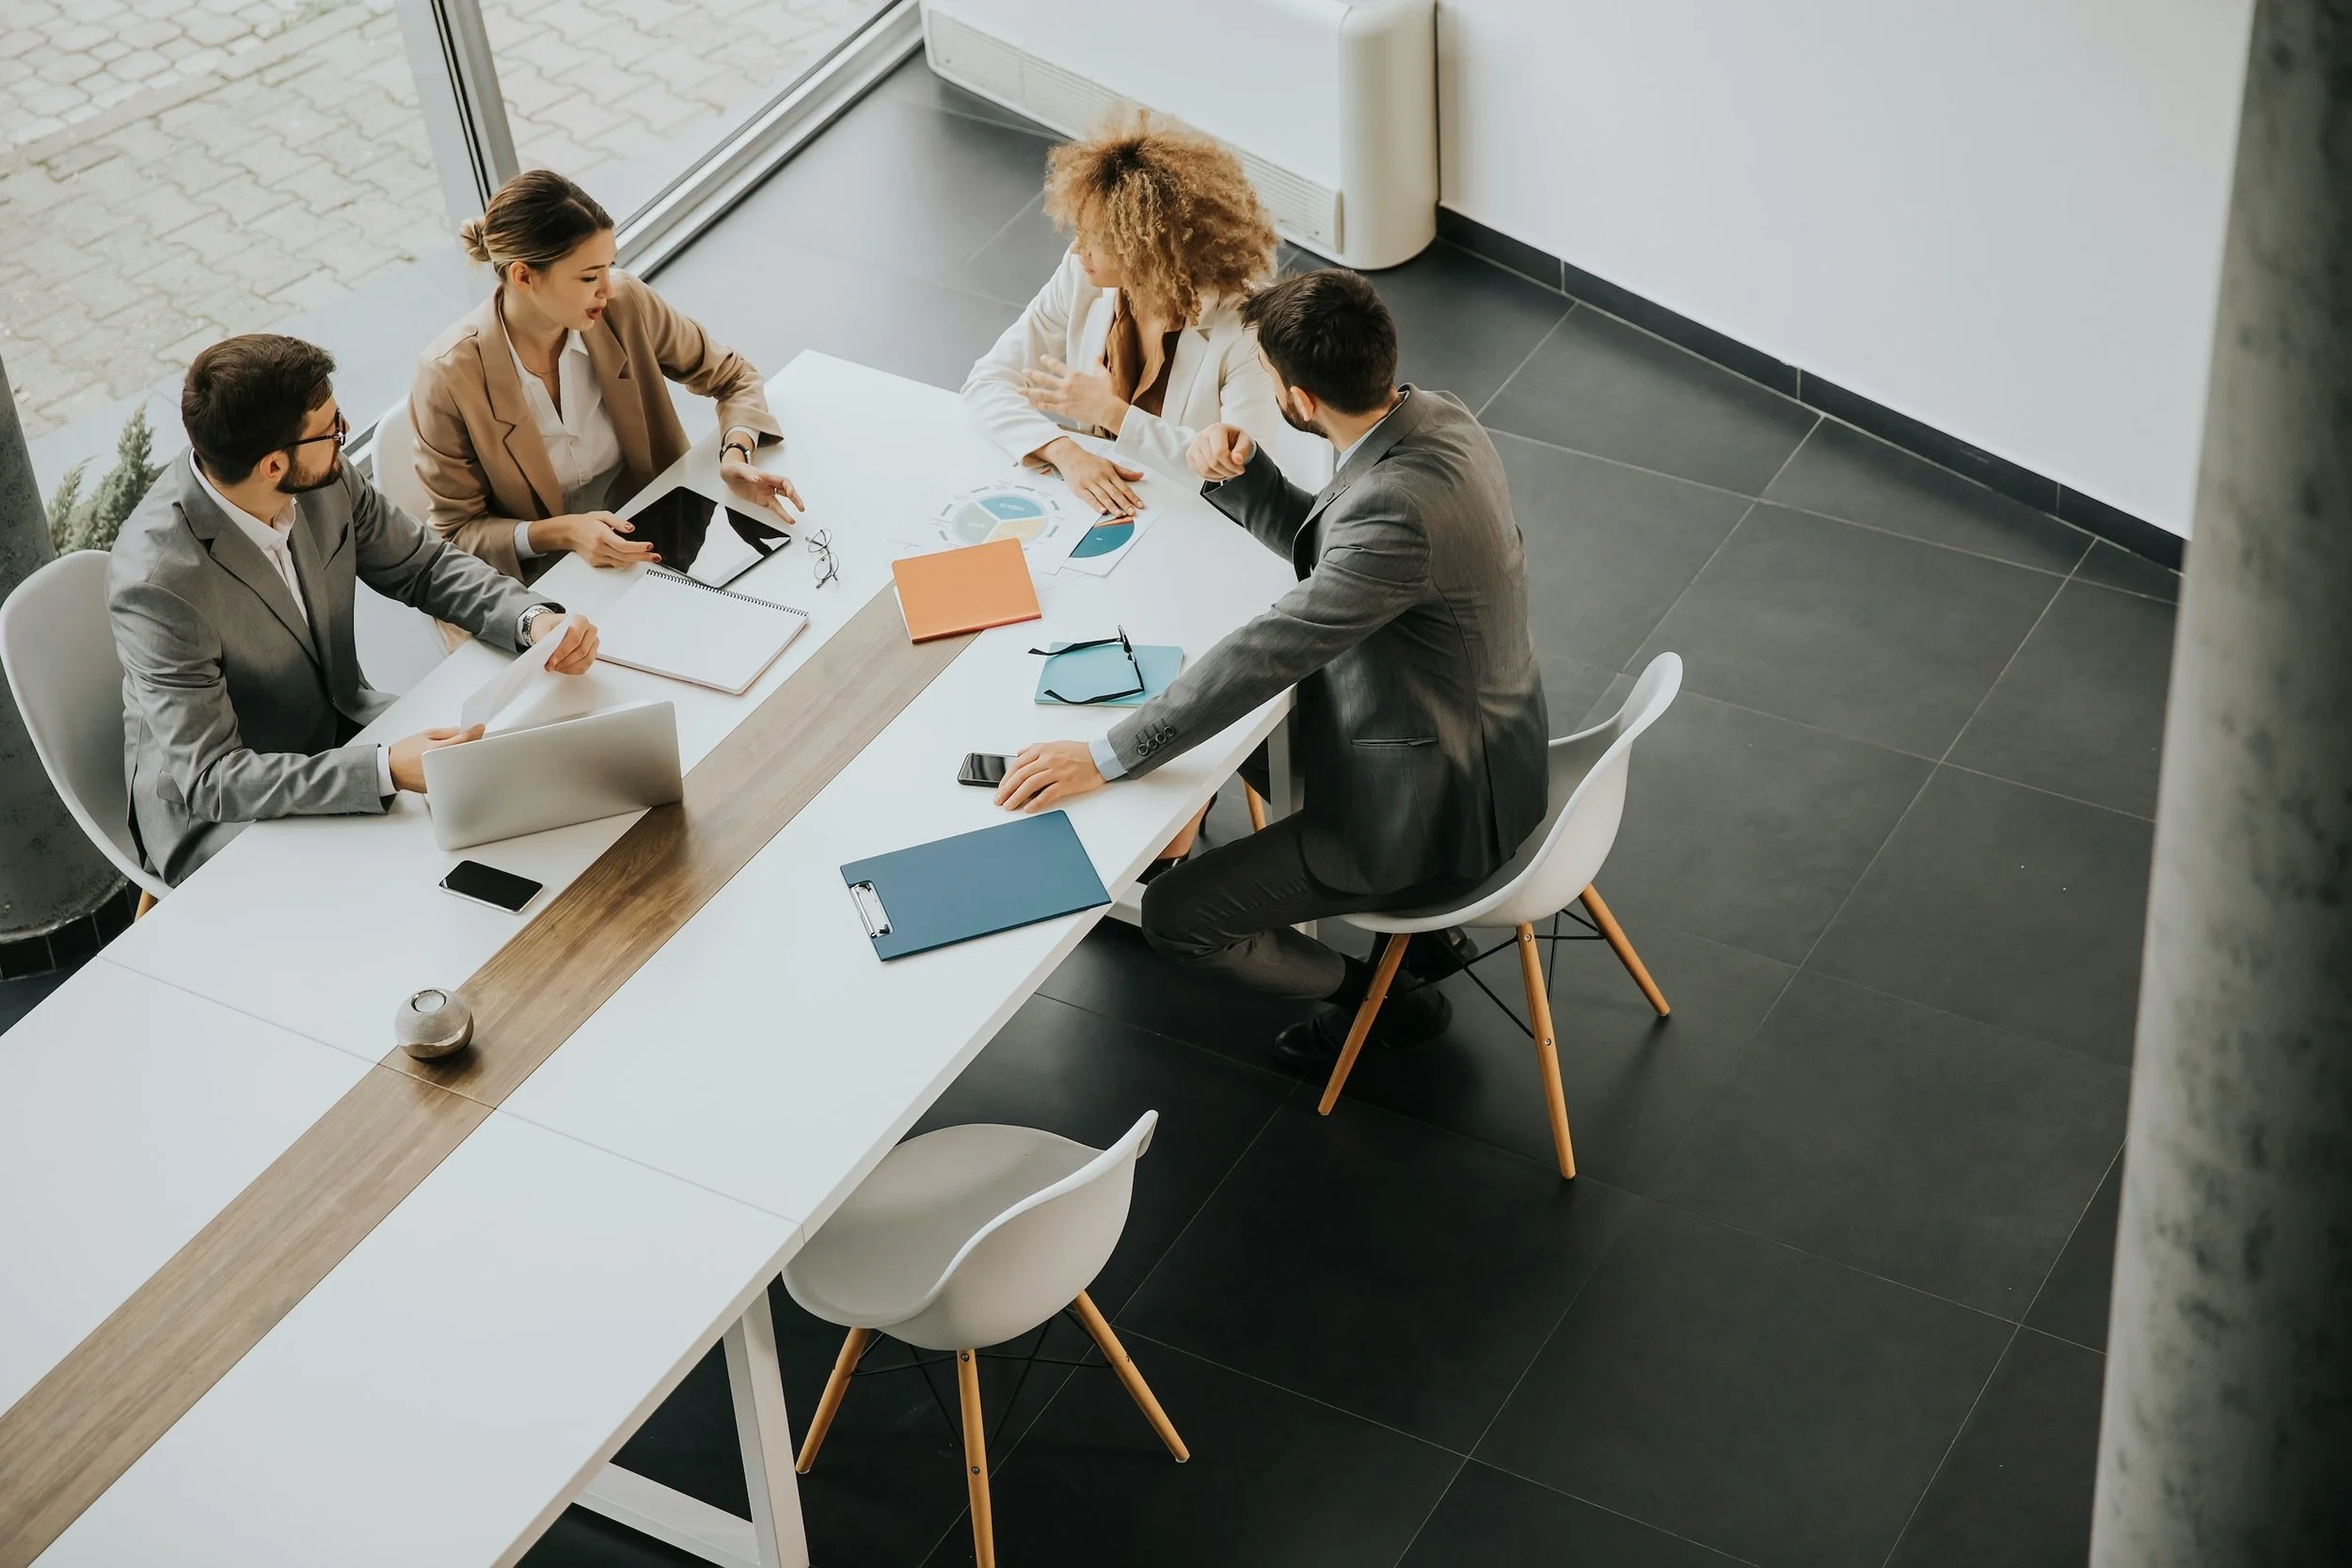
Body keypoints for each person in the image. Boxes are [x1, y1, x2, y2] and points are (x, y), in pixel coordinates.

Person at [992, 269, 1549, 1066]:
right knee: (1223, 728)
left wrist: (1106, 756)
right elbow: (1338, 547)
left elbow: (1270, 648)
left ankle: (1376, 998)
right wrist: (1243, 473)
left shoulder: (1397, 512)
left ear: (1300, 399)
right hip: (1481, 739)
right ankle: (1424, 945)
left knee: (1178, 916)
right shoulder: (1437, 419)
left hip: (1431, 812)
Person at [109, 334, 600, 887]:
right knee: (411, 881)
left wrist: (532, 620)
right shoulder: (157, 584)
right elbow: (214, 779)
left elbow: (423, 566)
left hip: (344, 729)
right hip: (225, 813)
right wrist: (384, 768)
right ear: (273, 465)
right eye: (331, 430)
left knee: (522, 809)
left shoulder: (322, 476)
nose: (342, 438)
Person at [407, 168, 798, 584]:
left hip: (666, 543)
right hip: (542, 584)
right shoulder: (449, 377)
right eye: (589, 276)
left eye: (609, 268)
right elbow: (457, 533)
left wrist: (734, 453)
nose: (607, 289)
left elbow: (732, 375)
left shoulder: (625, 306)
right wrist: (560, 533)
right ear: (523, 276)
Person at [961, 114, 1327, 519]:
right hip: (1098, 501)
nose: (1078, 248)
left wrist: (1112, 413)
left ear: (1148, 250)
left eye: (1095, 239)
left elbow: (1249, 477)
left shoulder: (1245, 330)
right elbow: (986, 381)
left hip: (1189, 513)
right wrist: (1065, 453)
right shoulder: (1080, 275)